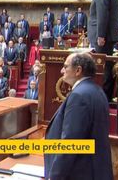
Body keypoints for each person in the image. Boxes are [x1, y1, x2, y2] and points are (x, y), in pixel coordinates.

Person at [44, 52, 113, 180]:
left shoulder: (79, 96)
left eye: (65, 67)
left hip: (80, 172)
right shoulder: (97, 91)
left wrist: (54, 176)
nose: (61, 70)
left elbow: (71, 143)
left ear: (78, 70)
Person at [88, 0, 118, 101]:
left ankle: (103, 98)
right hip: (107, 36)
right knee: (107, 66)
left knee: (103, 68)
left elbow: (102, 15)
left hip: (103, 37)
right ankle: (105, 97)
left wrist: (100, 35)